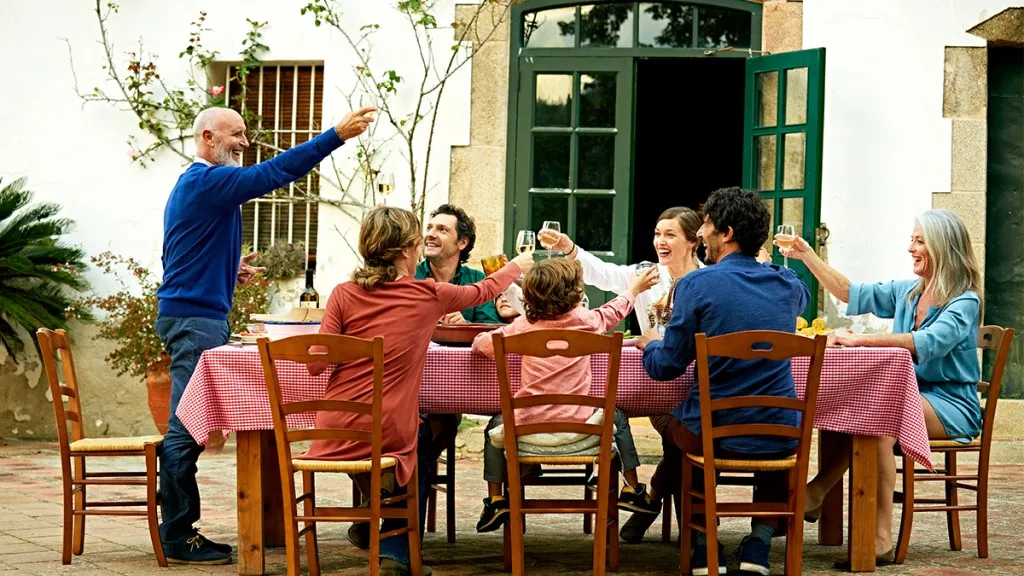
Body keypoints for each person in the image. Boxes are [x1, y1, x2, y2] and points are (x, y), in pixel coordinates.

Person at [154, 105, 375, 564]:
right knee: (186, 429)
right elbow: (276, 172)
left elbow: (181, 247)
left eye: (245, 135)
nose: (244, 143)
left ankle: (177, 529)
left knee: (190, 425)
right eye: (236, 135)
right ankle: (176, 534)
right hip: (195, 321)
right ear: (208, 137)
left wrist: (223, 269)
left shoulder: (193, 186)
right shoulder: (207, 182)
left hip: (194, 313)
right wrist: (335, 135)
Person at [304, 206, 533, 575]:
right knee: (422, 443)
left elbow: (316, 364)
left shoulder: (344, 294)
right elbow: (485, 290)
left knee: (402, 442)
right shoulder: (428, 294)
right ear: (407, 250)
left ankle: (374, 521)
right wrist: (518, 264)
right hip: (388, 428)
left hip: (334, 429)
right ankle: (395, 549)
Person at [779, 209, 983, 566]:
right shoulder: (908, 292)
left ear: (942, 248)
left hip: (952, 403)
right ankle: (817, 496)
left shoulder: (965, 300)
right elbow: (849, 292)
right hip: (909, 395)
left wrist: (862, 342)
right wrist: (807, 254)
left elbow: (928, 342)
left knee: (880, 418)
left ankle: (878, 538)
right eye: (913, 240)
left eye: (920, 241)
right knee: (852, 406)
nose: (911, 248)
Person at [635, 187, 809, 576]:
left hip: (714, 434)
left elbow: (665, 367)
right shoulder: (789, 285)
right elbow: (801, 294)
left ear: (726, 232)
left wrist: (649, 344)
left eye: (707, 225)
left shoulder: (697, 285)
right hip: (780, 433)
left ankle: (702, 543)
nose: (700, 234)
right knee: (772, 423)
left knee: (677, 429)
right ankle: (759, 544)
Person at [470, 259, 662, 532]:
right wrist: (634, 289)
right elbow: (615, 310)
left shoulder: (523, 326)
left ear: (529, 296)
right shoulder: (588, 321)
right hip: (581, 430)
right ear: (575, 293)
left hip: (527, 429)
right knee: (617, 416)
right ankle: (632, 486)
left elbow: (481, 346)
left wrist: (490, 333)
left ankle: (496, 498)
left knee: (495, 423)